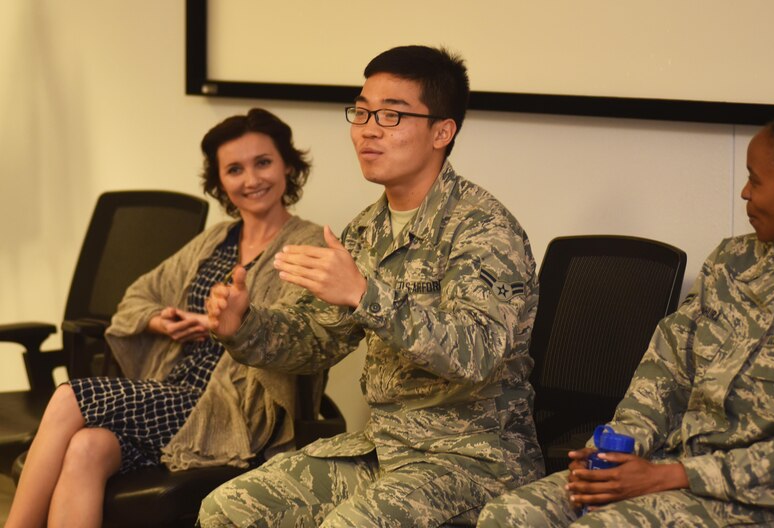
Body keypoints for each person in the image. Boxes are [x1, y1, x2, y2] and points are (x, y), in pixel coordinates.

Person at [477, 108, 774, 527]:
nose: (745, 192)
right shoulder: (733, 262)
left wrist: (673, 476)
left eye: (756, 180)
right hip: (671, 467)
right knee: (509, 516)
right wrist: (618, 451)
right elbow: (665, 370)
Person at [198, 45, 543, 527]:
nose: (368, 130)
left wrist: (366, 295)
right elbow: (316, 339)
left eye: (391, 115)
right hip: (385, 449)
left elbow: (478, 353)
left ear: (442, 132)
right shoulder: (365, 231)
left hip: (471, 459)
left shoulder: (483, 229)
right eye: (361, 112)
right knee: (227, 509)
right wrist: (243, 325)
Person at [7, 108, 325, 528]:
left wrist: (226, 324)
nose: (251, 179)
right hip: (172, 393)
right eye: (234, 169)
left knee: (69, 397)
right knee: (86, 448)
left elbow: (299, 333)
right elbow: (137, 297)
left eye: (263, 162)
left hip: (230, 410)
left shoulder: (309, 245)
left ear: (287, 165)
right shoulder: (215, 239)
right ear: (220, 182)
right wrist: (162, 320)